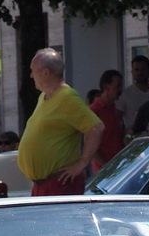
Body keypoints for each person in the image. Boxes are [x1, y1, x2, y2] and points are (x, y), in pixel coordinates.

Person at [16, 50, 102, 196]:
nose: (31, 76)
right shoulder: (44, 96)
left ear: (45, 73)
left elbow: (96, 128)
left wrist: (81, 163)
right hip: (44, 185)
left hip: (60, 185)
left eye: (33, 71)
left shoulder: (67, 97)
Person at [89, 69, 126, 166]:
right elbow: (90, 148)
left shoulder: (114, 110)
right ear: (106, 87)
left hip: (119, 166)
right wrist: (106, 167)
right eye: (117, 86)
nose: (120, 90)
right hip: (104, 171)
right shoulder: (94, 111)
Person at [115, 56, 149, 135]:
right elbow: (116, 118)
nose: (140, 73)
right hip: (133, 139)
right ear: (132, 72)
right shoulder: (125, 94)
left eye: (143, 69)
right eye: (136, 70)